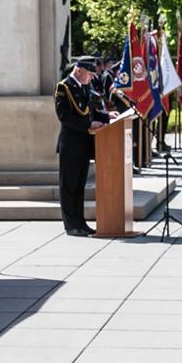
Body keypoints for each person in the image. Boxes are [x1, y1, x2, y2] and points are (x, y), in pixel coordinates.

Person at [55, 58, 109, 236]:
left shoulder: (83, 87)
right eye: (90, 74)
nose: (92, 78)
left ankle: (80, 222)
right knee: (69, 186)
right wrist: (87, 126)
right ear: (79, 71)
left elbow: (90, 112)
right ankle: (71, 225)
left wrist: (108, 117)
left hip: (84, 144)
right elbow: (64, 116)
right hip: (70, 145)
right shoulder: (64, 87)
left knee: (79, 187)